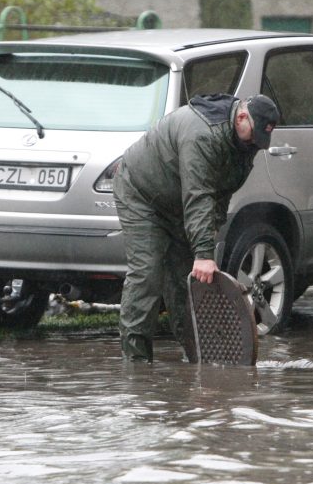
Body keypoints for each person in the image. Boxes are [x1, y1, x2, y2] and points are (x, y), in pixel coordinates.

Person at [114, 93, 280, 362]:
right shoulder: (202, 134)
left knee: (186, 282)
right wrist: (203, 254)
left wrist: (210, 231)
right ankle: (137, 367)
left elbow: (221, 192)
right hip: (141, 195)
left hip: (178, 202)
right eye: (253, 135)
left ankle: (200, 360)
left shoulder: (245, 144)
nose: (254, 143)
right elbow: (199, 194)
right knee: (148, 273)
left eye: (260, 139)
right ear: (241, 117)